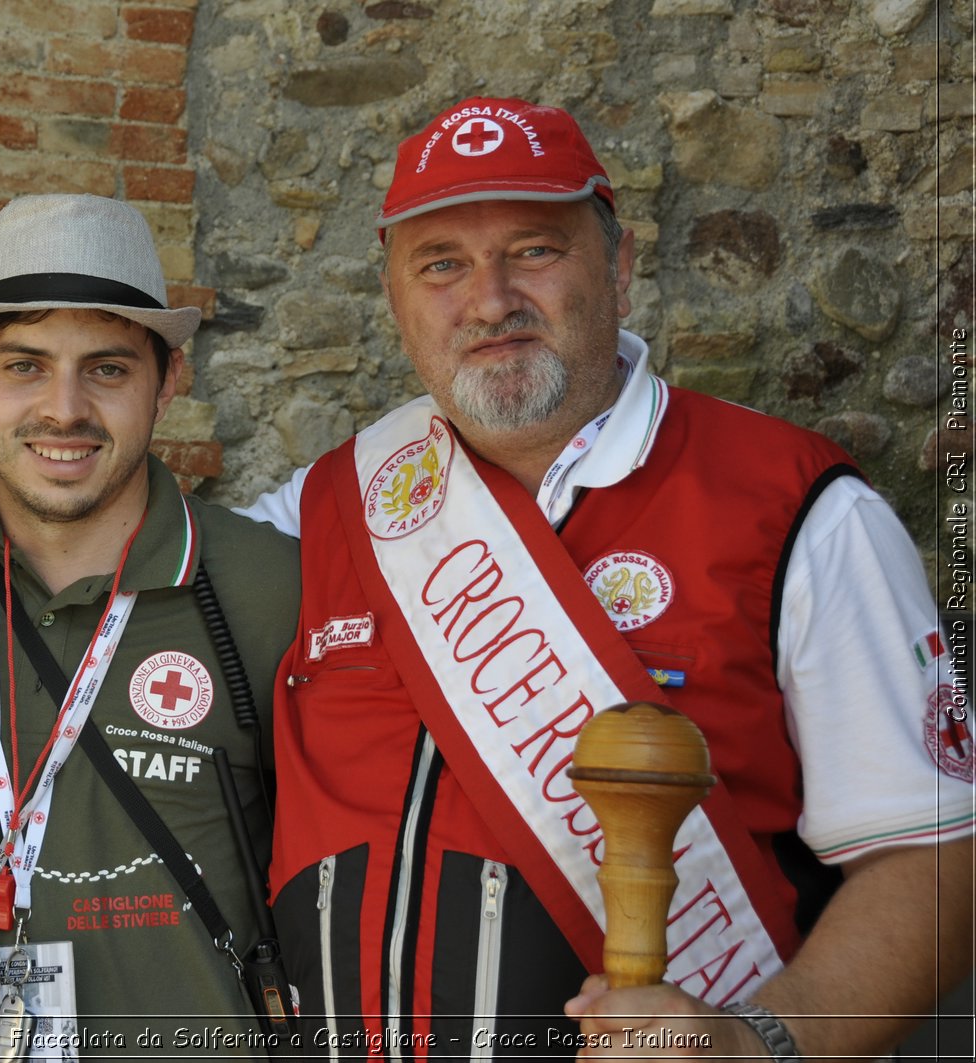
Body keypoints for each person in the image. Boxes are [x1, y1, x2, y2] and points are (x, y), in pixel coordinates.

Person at [248, 97, 973, 1059]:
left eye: (535, 249)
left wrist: (762, 1042)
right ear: (395, 299)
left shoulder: (799, 508)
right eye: (441, 265)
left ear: (620, 266)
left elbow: (935, 861)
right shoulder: (320, 511)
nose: (490, 296)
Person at [0, 194, 301, 1054]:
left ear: (169, 379)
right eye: (25, 365)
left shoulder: (268, 587)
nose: (65, 408)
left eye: (107, 368)